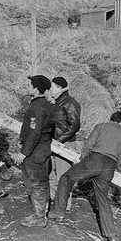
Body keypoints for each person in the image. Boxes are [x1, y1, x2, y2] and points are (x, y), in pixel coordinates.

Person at [49, 111, 121, 241]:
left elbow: (88, 145)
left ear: (112, 119)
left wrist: (83, 160)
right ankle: (111, 236)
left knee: (66, 178)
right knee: (103, 200)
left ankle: (59, 213)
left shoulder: (101, 126)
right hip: (109, 168)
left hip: (94, 161)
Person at [11, 75, 55, 228]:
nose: (27, 87)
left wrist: (23, 153)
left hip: (36, 151)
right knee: (41, 182)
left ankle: (39, 217)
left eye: (30, 85)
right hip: (42, 149)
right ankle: (40, 213)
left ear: (36, 89)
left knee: (36, 183)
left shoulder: (37, 107)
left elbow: (35, 132)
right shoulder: (44, 104)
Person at [48, 77, 82, 211]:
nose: (50, 90)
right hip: (56, 143)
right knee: (52, 172)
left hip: (65, 144)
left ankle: (64, 206)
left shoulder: (70, 103)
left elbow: (74, 125)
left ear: (59, 88)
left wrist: (59, 141)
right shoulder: (57, 103)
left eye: (52, 87)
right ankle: (54, 199)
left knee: (63, 176)